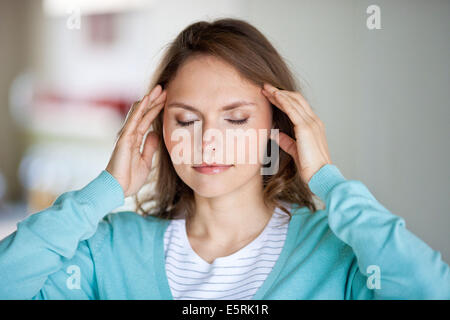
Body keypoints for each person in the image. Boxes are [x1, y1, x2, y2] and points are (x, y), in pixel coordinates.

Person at [0, 18, 449, 300]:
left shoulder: (338, 253)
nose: (208, 142)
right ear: (158, 129)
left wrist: (328, 181)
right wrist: (106, 190)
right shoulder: (110, 252)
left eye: (235, 119)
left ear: (279, 128)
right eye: (186, 120)